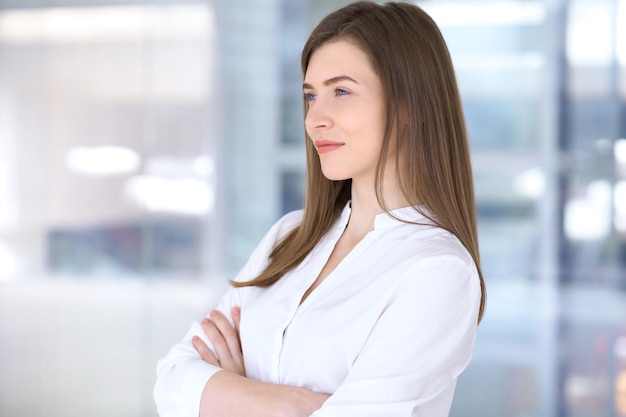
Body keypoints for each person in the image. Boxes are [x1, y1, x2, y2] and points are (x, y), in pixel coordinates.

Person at [154, 1, 487, 416]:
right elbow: (170, 382)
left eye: (341, 92)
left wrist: (229, 392)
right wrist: (293, 405)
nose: (314, 119)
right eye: (311, 96)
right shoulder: (287, 237)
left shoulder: (438, 271)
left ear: (409, 106)